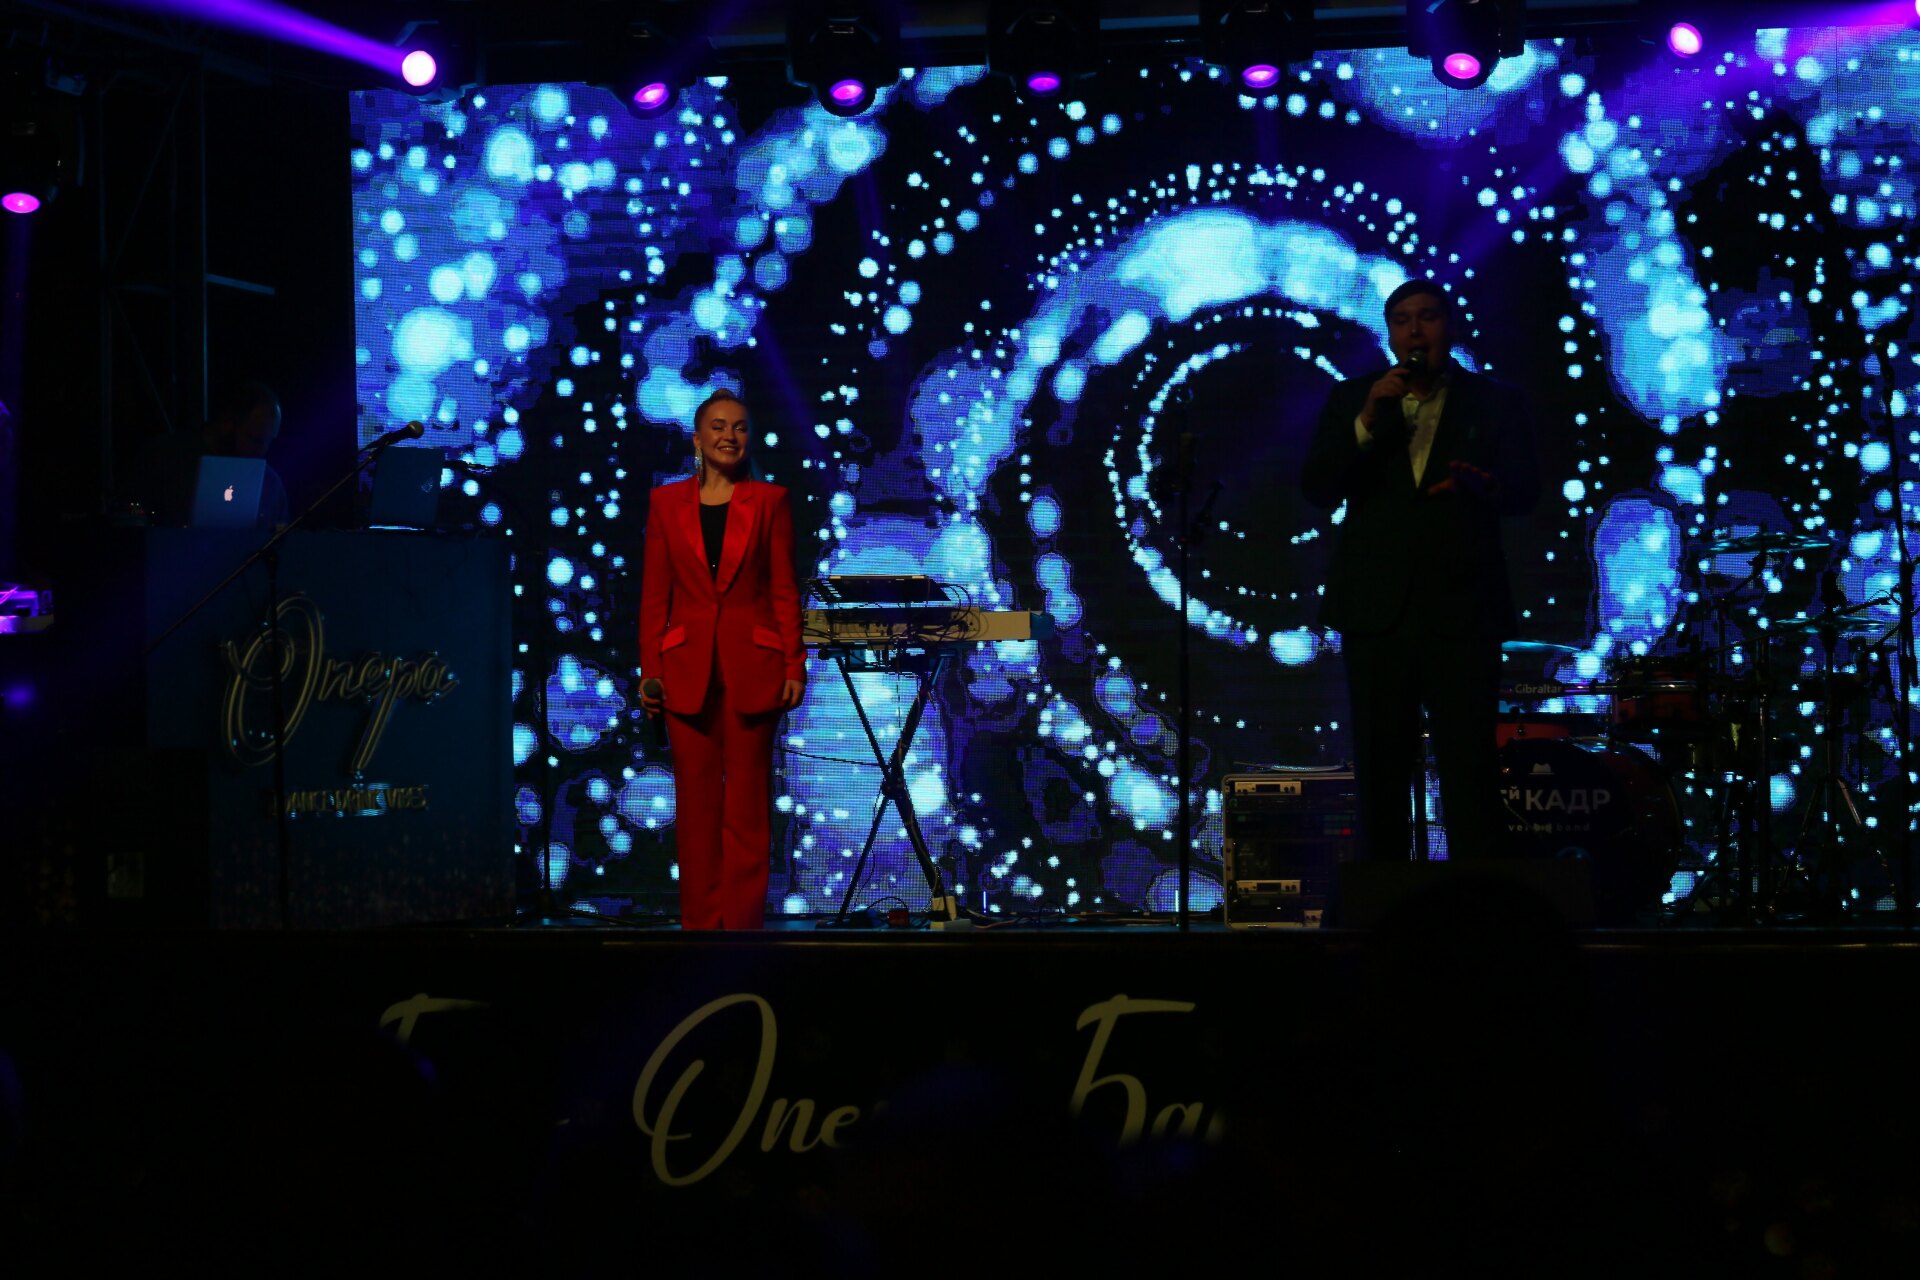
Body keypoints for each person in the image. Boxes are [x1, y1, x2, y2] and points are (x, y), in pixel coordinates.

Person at [1301, 279, 1539, 864]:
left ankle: (1473, 898)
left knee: (1469, 767)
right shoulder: (1355, 398)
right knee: (1381, 766)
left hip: (1463, 609)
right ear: (1389, 334)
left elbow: (1528, 489)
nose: (1415, 330)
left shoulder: (1493, 401)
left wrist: (1486, 488)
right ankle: (1386, 902)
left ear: (1448, 326)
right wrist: (1366, 420)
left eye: (1427, 317)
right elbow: (1318, 488)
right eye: (1402, 319)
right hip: (1376, 612)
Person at [638, 388, 807, 929]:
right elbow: (654, 596)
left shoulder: (770, 501)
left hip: (753, 666)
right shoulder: (666, 503)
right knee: (696, 807)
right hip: (685, 668)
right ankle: (701, 927)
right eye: (718, 426)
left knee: (747, 807)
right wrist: (651, 672)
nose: (729, 436)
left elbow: (783, 590)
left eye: (739, 427)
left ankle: (741, 928)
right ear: (697, 438)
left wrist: (794, 664)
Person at [138, 380, 290, 527]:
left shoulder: (270, 484)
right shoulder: (167, 458)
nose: (261, 451)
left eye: (268, 441)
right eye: (254, 439)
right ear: (226, 423)